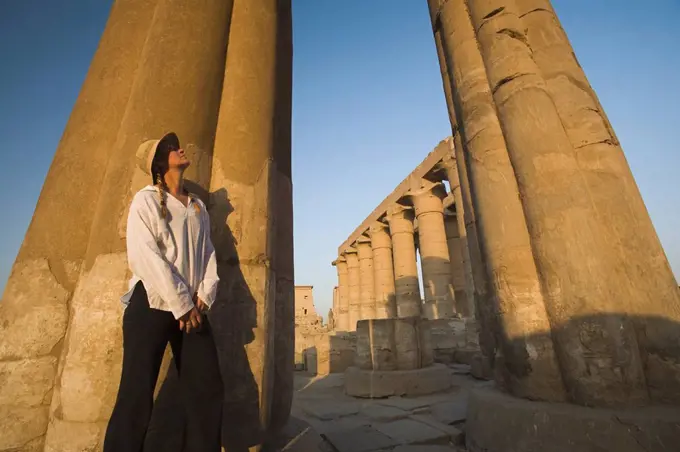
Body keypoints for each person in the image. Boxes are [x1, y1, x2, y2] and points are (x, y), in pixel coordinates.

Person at [104, 132, 223, 452]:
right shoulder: (144, 200)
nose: (179, 149)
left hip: (194, 309)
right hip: (152, 303)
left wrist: (204, 295)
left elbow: (208, 253)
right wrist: (182, 303)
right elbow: (145, 255)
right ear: (159, 162)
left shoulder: (197, 206)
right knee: (136, 395)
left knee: (207, 389)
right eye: (171, 149)